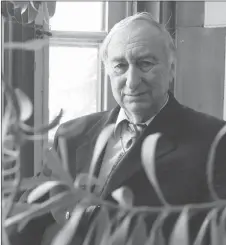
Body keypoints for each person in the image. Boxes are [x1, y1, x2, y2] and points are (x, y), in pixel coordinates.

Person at [10, 12, 226, 245]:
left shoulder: (214, 140)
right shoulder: (71, 135)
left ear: (172, 68)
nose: (132, 81)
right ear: (108, 71)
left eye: (145, 64)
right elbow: (27, 217)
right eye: (120, 66)